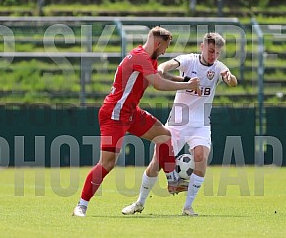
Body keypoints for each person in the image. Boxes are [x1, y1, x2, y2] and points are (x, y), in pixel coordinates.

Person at [72, 26, 201, 217]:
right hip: (114, 114)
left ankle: (173, 181)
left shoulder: (149, 59)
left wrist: (186, 80)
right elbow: (158, 84)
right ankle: (81, 205)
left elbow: (161, 75)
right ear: (158, 43)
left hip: (131, 113)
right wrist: (186, 85)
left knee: (164, 136)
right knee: (107, 163)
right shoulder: (140, 56)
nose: (165, 51)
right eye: (165, 47)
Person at [121, 32, 237, 216]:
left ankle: (188, 207)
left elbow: (232, 82)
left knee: (201, 157)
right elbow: (167, 65)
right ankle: (139, 203)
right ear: (202, 46)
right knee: (157, 162)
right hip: (177, 122)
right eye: (211, 50)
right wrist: (163, 69)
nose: (213, 55)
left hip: (200, 124)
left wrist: (229, 77)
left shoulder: (218, 68)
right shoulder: (188, 60)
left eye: (217, 53)